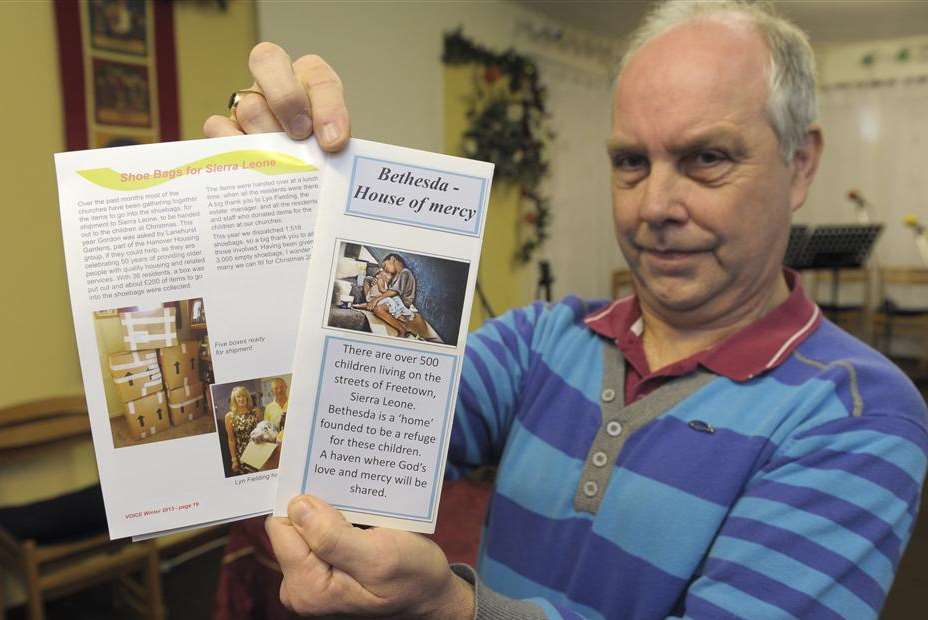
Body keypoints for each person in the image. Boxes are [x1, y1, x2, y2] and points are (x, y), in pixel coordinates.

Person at [204, 2, 928, 617]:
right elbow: (326, 435)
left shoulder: (858, 414)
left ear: (800, 164)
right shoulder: (538, 340)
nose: (655, 207)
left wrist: (456, 610)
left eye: (706, 159)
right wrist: (283, 232)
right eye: (630, 162)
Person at [224, 385, 259, 476]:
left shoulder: (256, 412)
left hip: (258, 451)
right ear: (234, 399)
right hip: (242, 454)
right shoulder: (229, 416)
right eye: (238, 396)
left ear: (247, 398)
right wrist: (234, 460)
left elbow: (263, 433)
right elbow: (231, 440)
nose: (241, 399)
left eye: (243, 396)